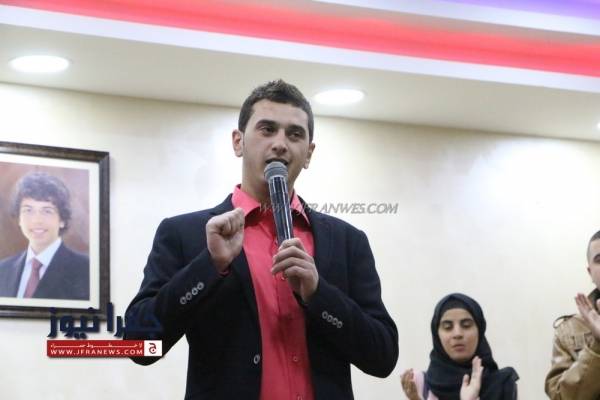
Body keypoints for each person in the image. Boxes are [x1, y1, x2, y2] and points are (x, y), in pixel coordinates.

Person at [124, 79, 398, 399]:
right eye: (267, 129)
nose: (280, 143)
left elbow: (383, 357)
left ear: (308, 154)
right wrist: (209, 266)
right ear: (238, 142)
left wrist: (318, 294)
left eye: (294, 134)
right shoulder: (185, 234)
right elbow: (139, 345)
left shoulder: (347, 241)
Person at [400, 293, 518, 400]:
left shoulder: (502, 384)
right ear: (437, 335)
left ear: (480, 331)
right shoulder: (420, 385)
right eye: (447, 327)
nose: (457, 334)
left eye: (466, 325)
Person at [0, 172, 89, 300]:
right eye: (28, 210)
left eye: (47, 211)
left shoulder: (86, 270)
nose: (37, 220)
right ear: (19, 219)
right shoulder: (3, 270)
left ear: (62, 220)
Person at [545, 230, 600, 399]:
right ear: (590, 272)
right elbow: (560, 396)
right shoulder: (568, 331)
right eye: (599, 260)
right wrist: (597, 346)